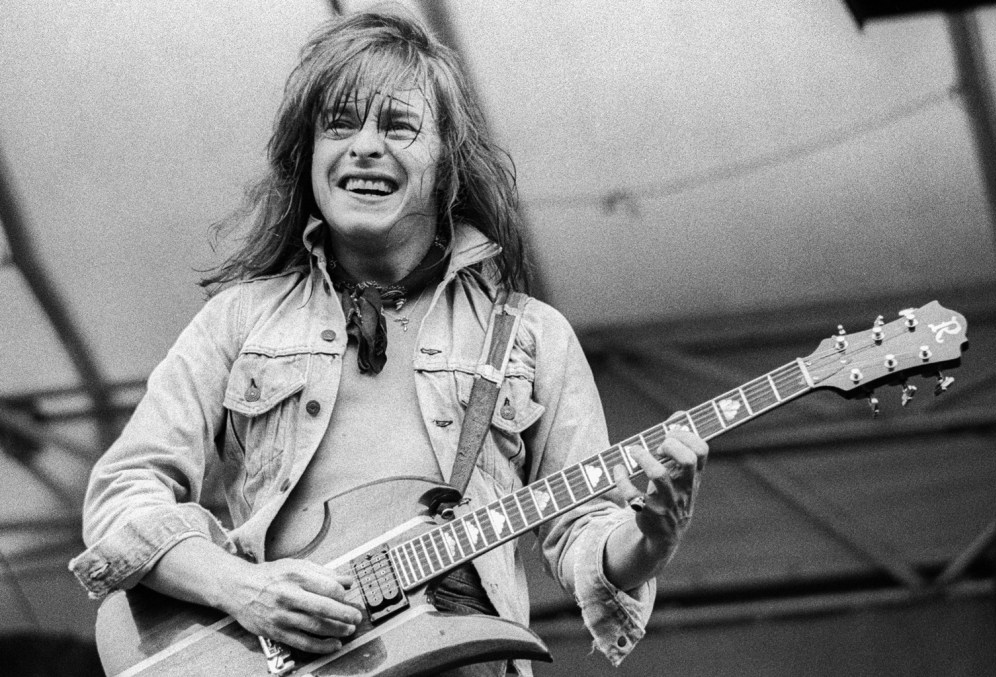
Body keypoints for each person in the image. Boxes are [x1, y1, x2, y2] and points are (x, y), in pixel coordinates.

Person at [69, 8, 709, 677]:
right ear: (307, 157)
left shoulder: (531, 336)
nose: (365, 146)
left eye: (398, 125)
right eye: (339, 125)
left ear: (447, 161)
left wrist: (647, 543)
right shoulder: (239, 320)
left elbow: (583, 534)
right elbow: (123, 493)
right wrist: (241, 588)